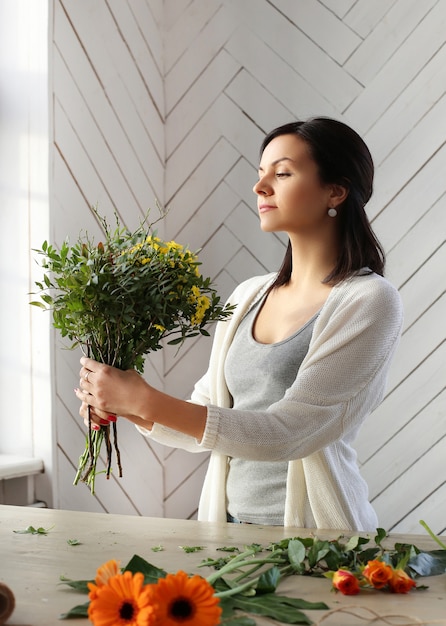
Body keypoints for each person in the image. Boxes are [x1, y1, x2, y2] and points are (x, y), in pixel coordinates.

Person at [76, 117, 403, 531]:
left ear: (335, 191)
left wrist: (145, 401)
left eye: (282, 173)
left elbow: (291, 433)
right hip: (228, 530)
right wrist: (125, 405)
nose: (261, 186)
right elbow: (209, 416)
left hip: (318, 540)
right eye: (260, 174)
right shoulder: (250, 294)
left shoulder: (370, 300)